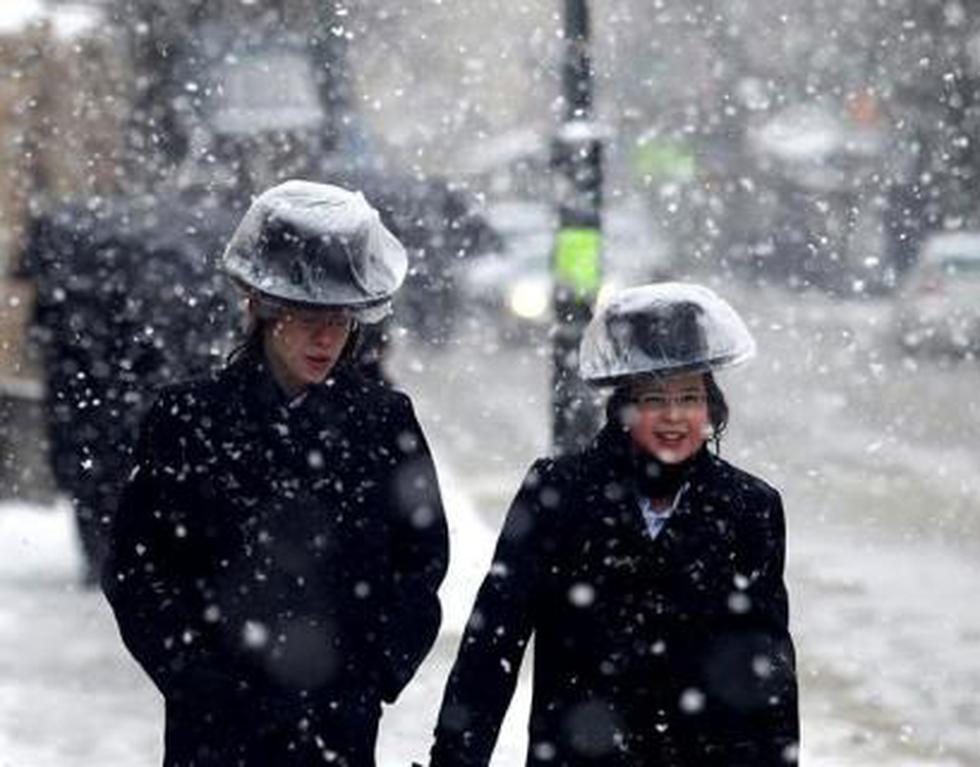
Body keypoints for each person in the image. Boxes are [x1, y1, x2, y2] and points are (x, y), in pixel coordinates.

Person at [102, 180, 449, 766]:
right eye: (309, 315)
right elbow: (137, 567)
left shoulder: (383, 421)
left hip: (337, 724)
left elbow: (422, 561)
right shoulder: (188, 418)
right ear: (261, 309)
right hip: (214, 729)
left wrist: (373, 675)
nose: (327, 337)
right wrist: (190, 674)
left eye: (341, 319)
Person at [429, 283, 799, 766]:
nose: (673, 416)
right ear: (623, 406)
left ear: (711, 408)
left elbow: (766, 666)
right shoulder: (557, 493)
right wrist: (456, 756)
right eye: (653, 398)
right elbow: (494, 640)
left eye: (690, 396)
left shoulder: (749, 506)